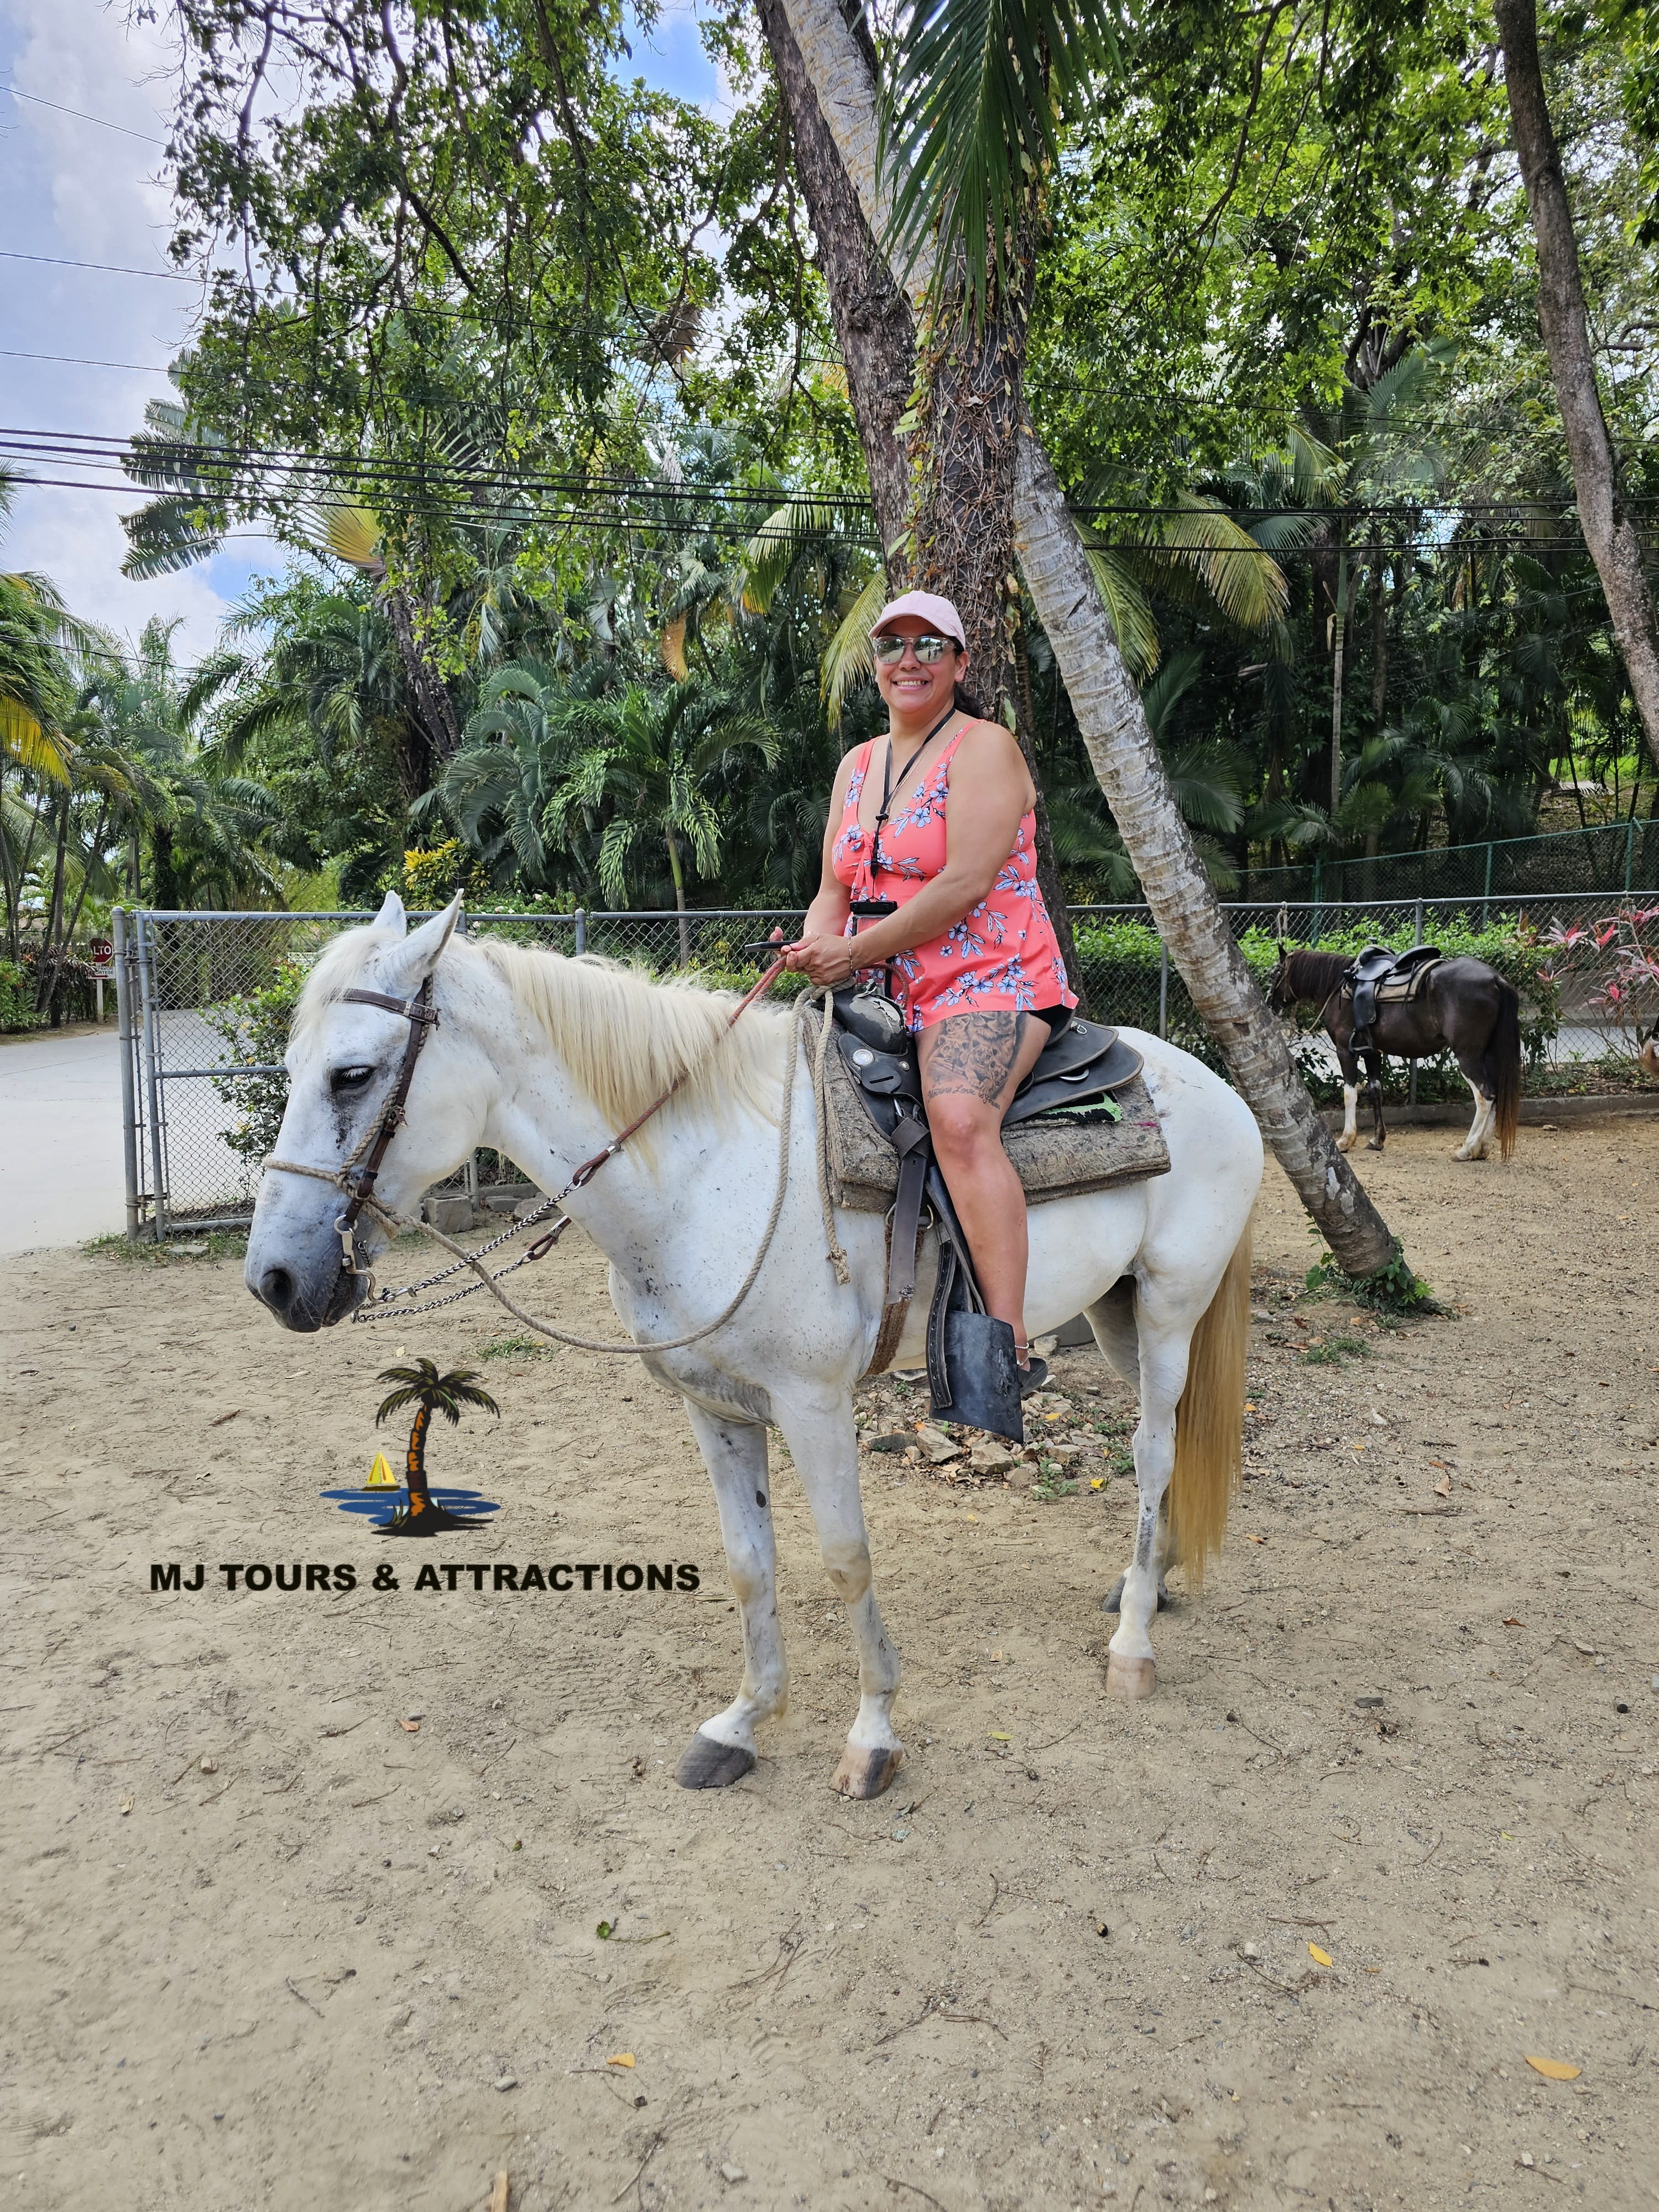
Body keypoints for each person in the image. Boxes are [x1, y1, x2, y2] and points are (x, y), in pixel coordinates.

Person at [784, 589, 1076, 1389]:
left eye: (928, 645)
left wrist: (853, 951)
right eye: (892, 646)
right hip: (878, 981)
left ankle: (1005, 1348)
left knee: (958, 1120)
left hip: (987, 975)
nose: (907, 660)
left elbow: (964, 883)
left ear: (959, 662)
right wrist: (817, 946)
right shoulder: (856, 765)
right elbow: (834, 888)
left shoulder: (986, 748)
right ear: (875, 664)